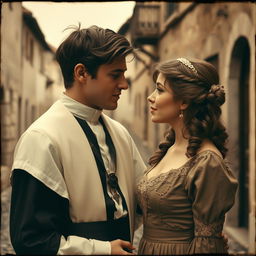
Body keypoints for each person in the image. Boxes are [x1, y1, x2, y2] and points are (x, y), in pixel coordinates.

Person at [10, 25, 146, 255]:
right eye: (115, 74)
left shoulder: (121, 134)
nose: (124, 84)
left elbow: (146, 202)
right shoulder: (42, 139)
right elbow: (30, 240)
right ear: (81, 73)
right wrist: (102, 250)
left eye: (124, 74)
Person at [136, 57, 238, 255]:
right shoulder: (168, 149)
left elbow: (207, 245)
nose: (150, 97)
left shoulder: (207, 162)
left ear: (183, 101)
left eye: (160, 89)